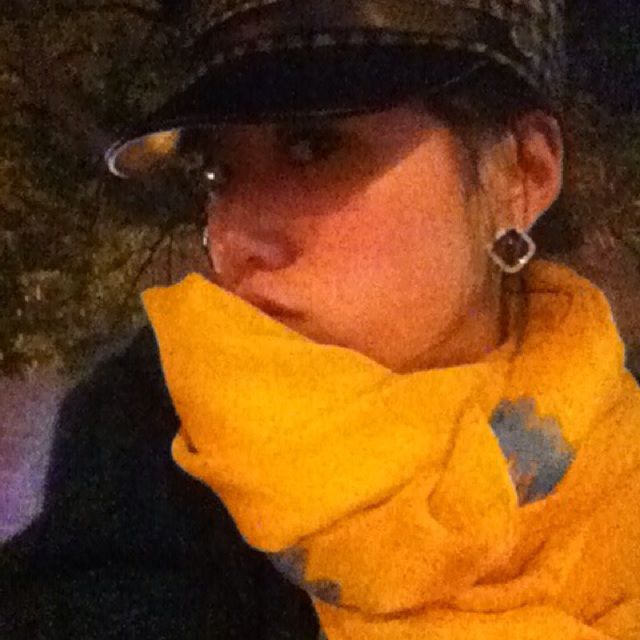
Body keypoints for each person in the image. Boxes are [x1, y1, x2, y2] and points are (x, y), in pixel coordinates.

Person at [3, 1, 640, 639]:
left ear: (520, 174)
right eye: (218, 174)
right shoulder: (149, 462)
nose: (231, 239)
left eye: (313, 147)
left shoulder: (622, 465)